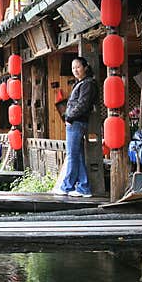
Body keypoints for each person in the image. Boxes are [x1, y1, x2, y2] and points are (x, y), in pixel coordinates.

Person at [57, 56, 99, 197]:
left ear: (85, 67)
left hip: (77, 122)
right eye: (73, 68)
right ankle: (84, 188)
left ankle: (66, 186)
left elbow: (82, 105)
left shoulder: (88, 84)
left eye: (78, 67)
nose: (75, 70)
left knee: (72, 155)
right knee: (78, 155)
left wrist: (69, 117)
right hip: (75, 122)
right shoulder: (81, 83)